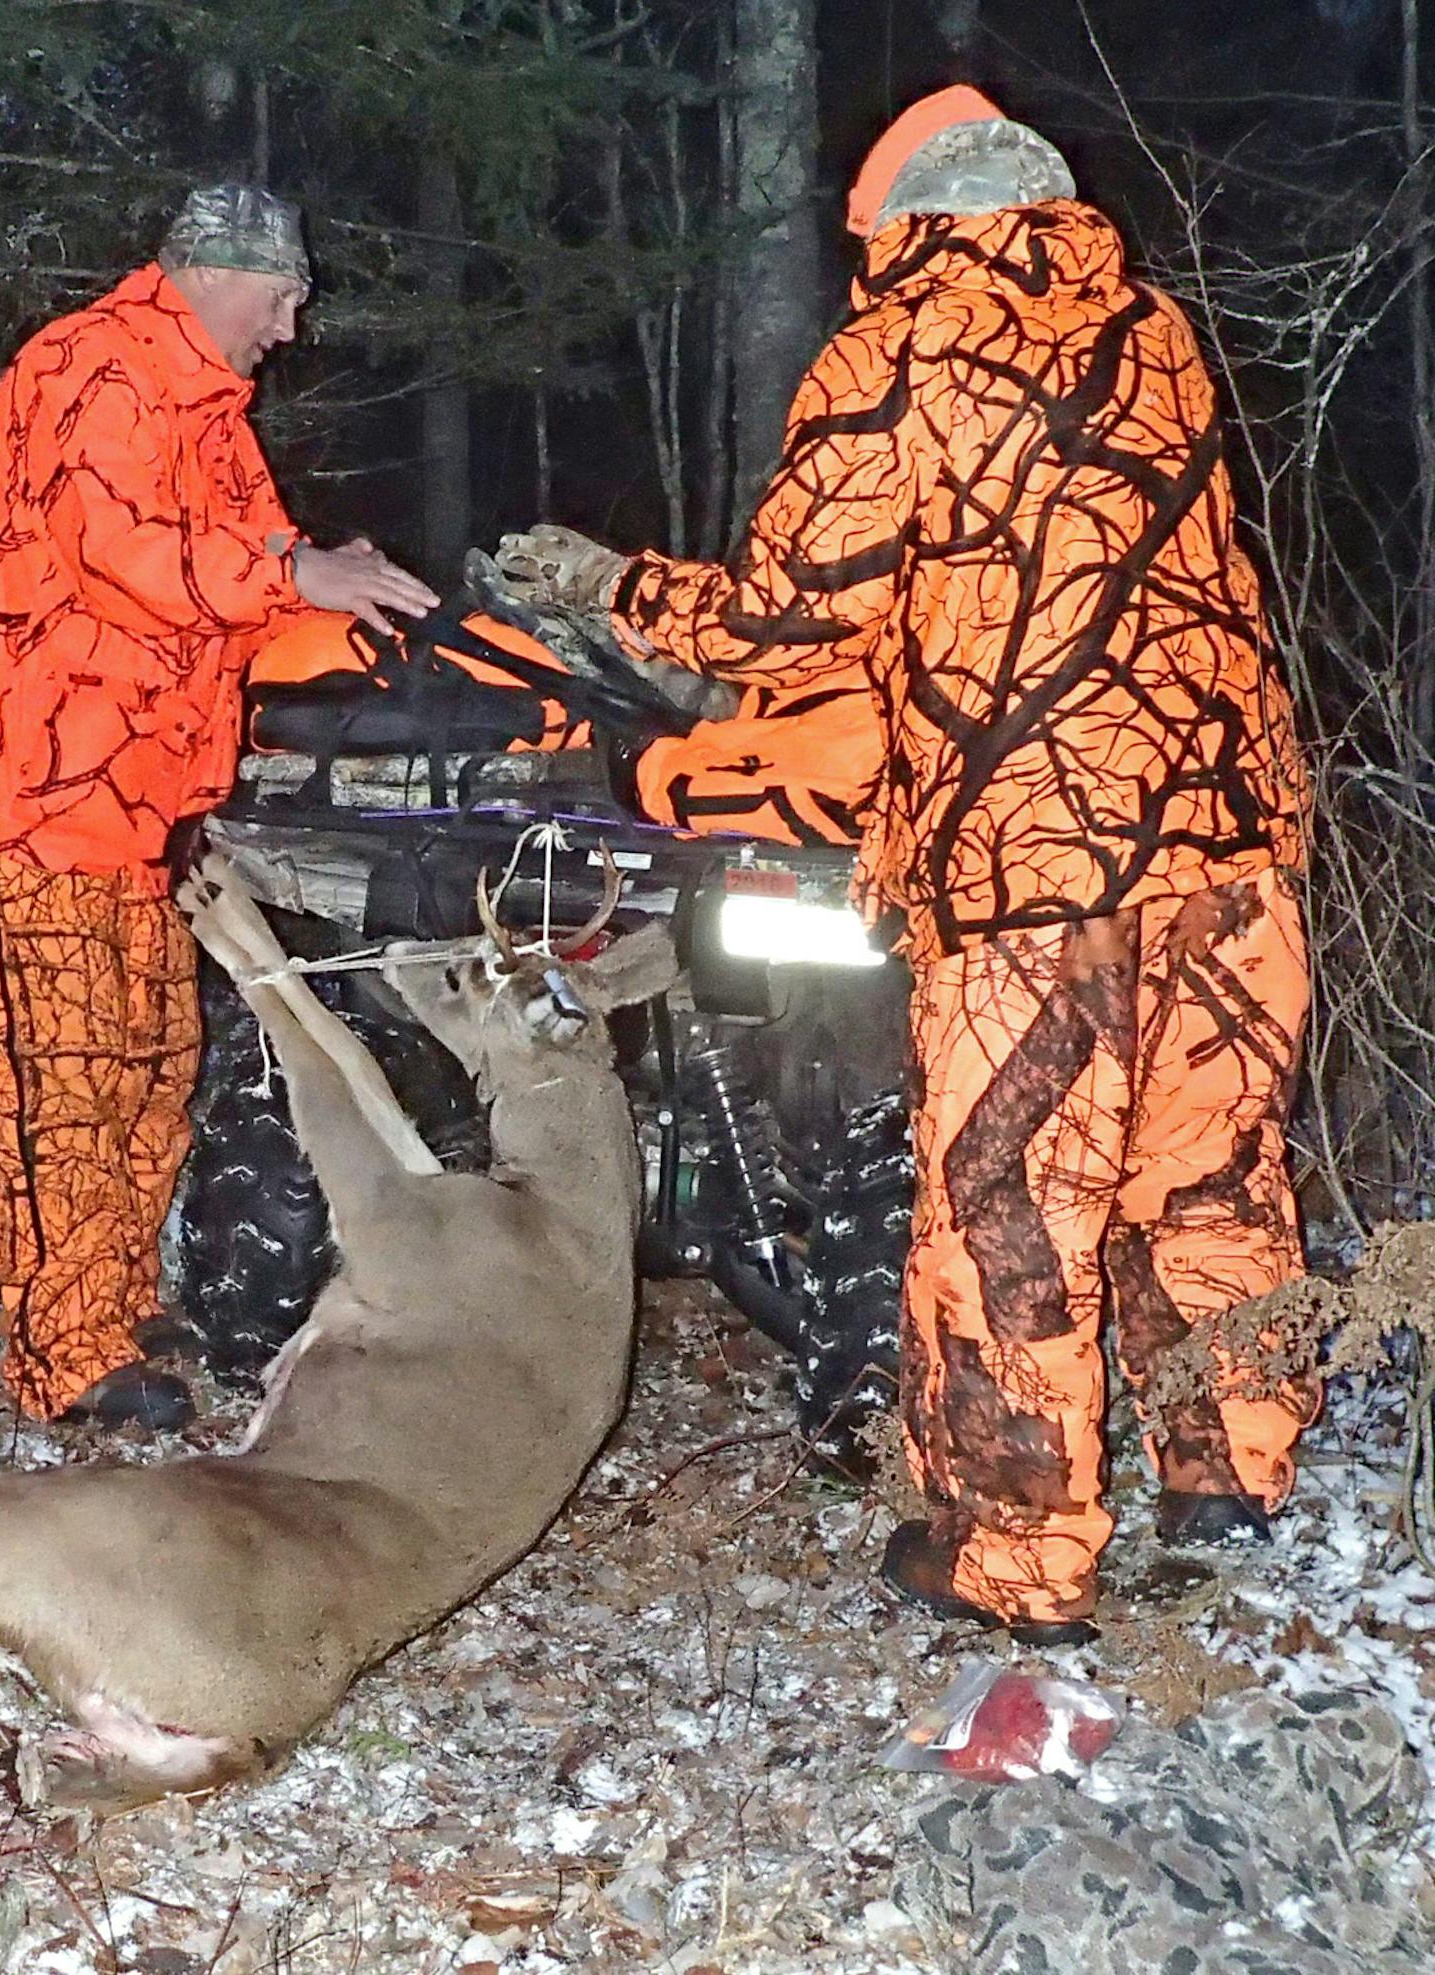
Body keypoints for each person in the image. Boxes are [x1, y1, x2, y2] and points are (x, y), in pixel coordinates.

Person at [490, 88, 1313, 1643]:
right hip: (1235, 830)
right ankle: (1233, 1475)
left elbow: (788, 616)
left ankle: (1017, 1560)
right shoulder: (1155, 331)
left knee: (1010, 1201)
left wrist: (611, 585)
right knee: (1209, 1167)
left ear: (899, 225)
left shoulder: (904, 346)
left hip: (1039, 853)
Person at [0, 185, 438, 1431]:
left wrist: (365, 614)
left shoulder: (209, 409)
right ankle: (63, 1357)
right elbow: (123, 555)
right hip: (20, 792)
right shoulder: (90, 371)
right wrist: (295, 572)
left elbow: (250, 578)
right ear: (215, 276)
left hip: (133, 811)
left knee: (147, 1065)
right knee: (60, 1083)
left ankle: (115, 1303)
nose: (292, 328)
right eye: (285, 297)